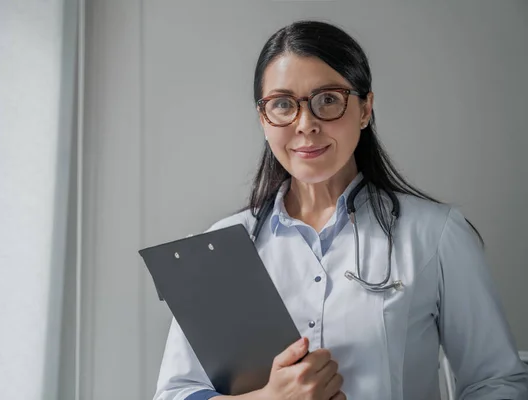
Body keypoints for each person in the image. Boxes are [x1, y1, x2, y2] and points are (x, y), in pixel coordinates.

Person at [152, 20, 528, 400]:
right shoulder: (219, 247)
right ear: (263, 118)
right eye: (283, 104)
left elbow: (495, 383)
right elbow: (176, 392)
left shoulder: (435, 234)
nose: (306, 124)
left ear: (365, 109)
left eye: (328, 99)